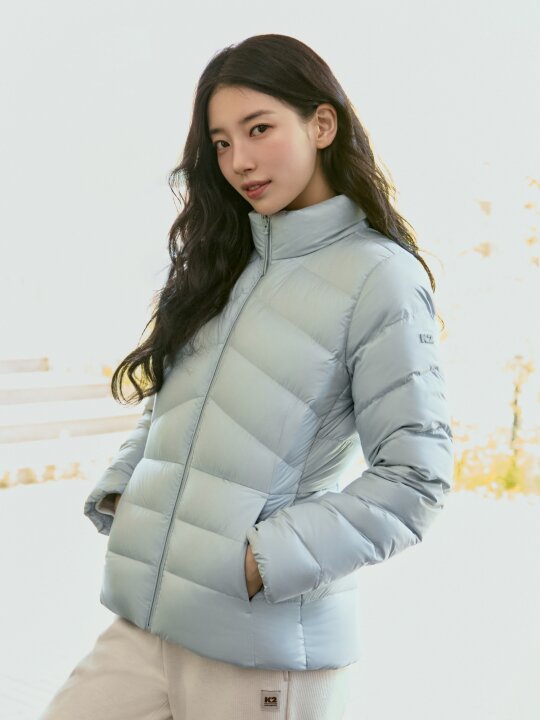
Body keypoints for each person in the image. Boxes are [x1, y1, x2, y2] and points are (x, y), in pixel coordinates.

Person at [39, 32, 454, 720]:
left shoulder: (379, 276)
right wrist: (126, 489)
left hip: (261, 648)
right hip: (149, 624)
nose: (239, 161)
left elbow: (416, 477)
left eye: (259, 129)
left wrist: (260, 562)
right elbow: (173, 402)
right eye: (222, 142)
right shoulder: (228, 259)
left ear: (322, 124)